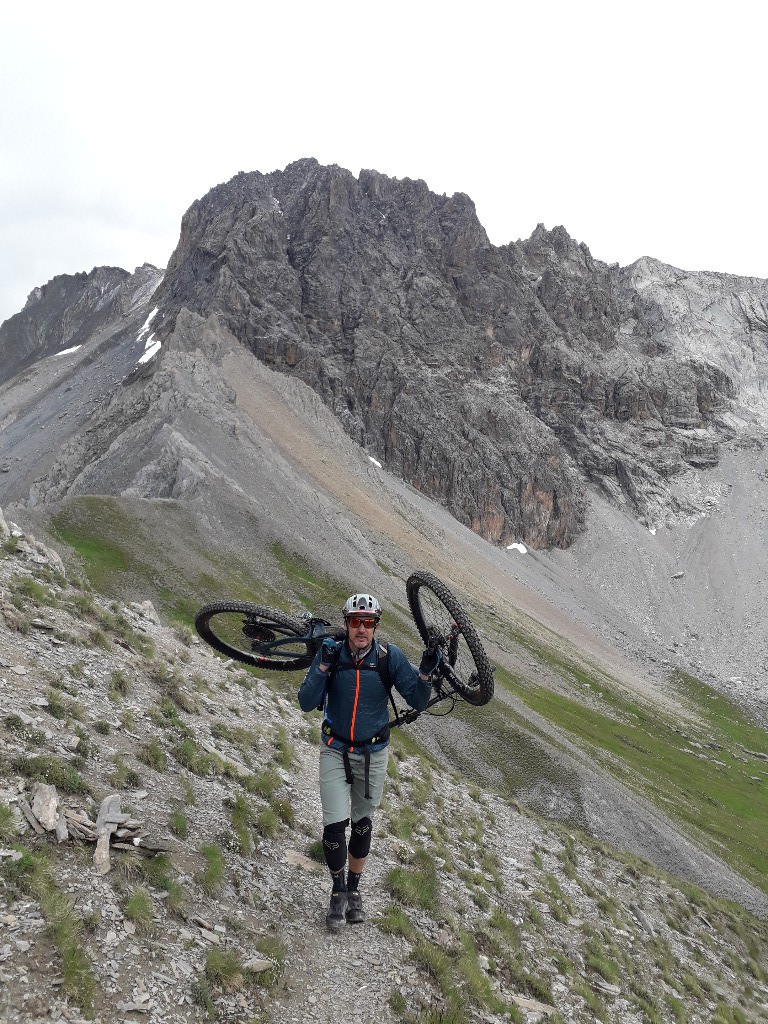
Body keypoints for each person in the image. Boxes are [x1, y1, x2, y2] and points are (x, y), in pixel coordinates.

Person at [297, 592, 442, 931]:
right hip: (334, 747)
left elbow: (418, 701)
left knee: (362, 824)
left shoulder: (389, 657)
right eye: (355, 622)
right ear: (346, 623)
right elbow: (306, 702)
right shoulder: (331, 653)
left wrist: (424, 674)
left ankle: (354, 891)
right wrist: (321, 666)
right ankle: (337, 892)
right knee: (334, 826)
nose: (361, 629)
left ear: (376, 626)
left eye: (368, 622)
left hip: (372, 753)